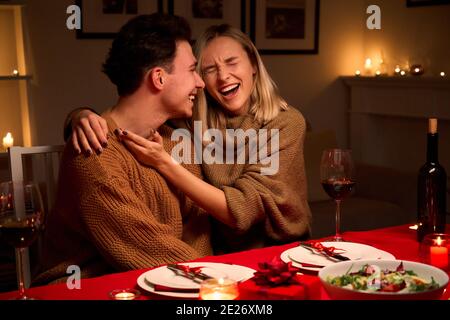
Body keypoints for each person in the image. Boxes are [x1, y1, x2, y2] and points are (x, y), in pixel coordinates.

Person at [65, 24, 311, 254]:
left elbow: (245, 209)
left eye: (232, 62)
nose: (223, 76)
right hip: (221, 258)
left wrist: (165, 163)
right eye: (207, 70)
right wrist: (81, 117)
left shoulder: (286, 123)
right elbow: (136, 114)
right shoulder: (190, 122)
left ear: (253, 65)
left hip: (281, 250)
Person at [36, 14, 211, 284]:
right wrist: (216, 278)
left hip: (167, 282)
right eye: (191, 70)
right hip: (88, 288)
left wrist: (208, 280)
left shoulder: (174, 140)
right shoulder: (93, 152)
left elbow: (199, 226)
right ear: (159, 78)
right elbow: (151, 250)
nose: (200, 83)